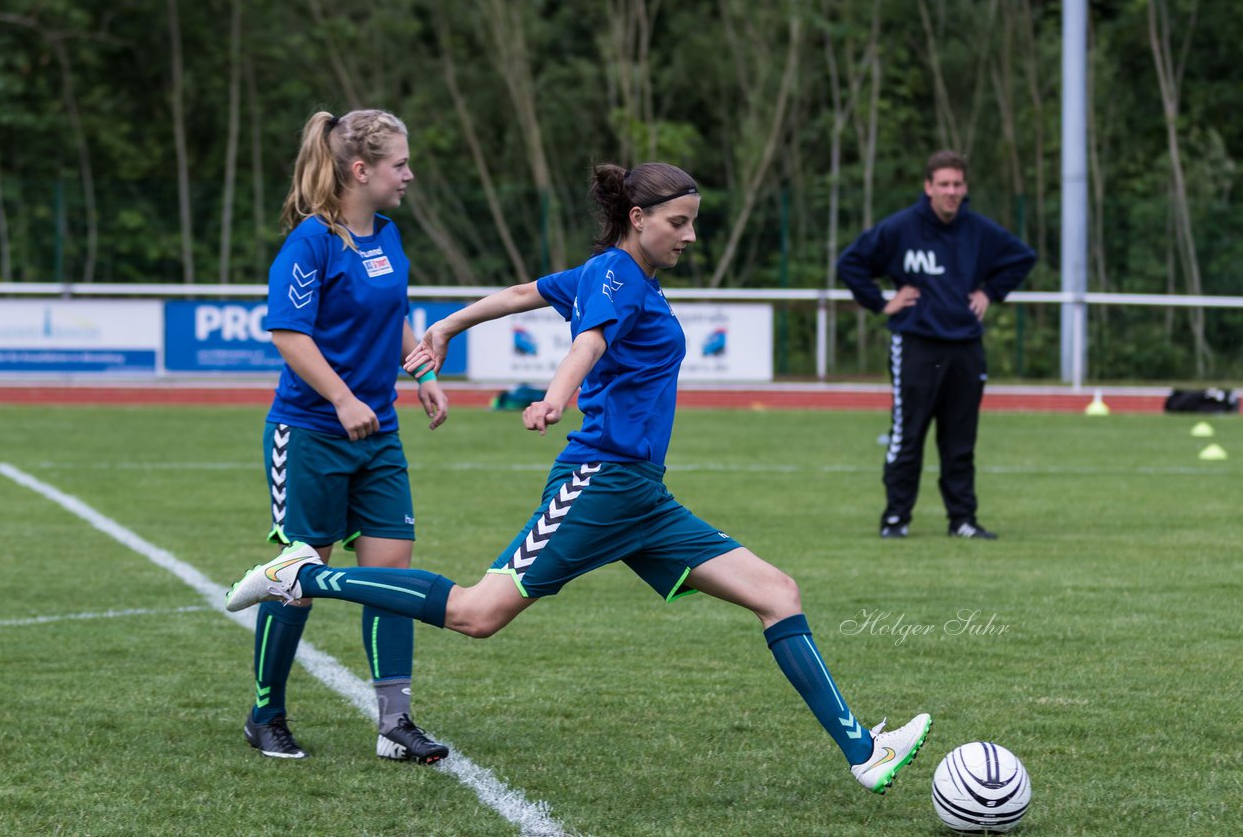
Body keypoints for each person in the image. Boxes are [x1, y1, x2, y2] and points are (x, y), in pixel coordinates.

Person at [228, 161, 932, 794]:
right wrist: (556, 397)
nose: (689, 236)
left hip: (642, 498)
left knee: (777, 592)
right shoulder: (619, 277)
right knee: (478, 614)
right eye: (678, 222)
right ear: (638, 219)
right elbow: (589, 341)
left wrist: (446, 329)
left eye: (693, 222)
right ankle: (302, 576)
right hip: (598, 484)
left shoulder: (608, 273)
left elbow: (521, 292)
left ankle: (863, 751)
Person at [242, 109, 450, 763]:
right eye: (400, 164)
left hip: (379, 437)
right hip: (309, 434)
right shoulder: (310, 242)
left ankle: (395, 725)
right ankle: (265, 714)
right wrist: (341, 397)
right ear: (361, 170)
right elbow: (288, 333)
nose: (409, 174)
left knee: (391, 576)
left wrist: (422, 375)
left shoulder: (388, 235)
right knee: (300, 575)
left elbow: (397, 318)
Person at [837, 150, 1036, 540]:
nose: (951, 192)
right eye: (943, 184)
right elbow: (851, 263)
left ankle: (962, 520)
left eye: (957, 185)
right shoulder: (900, 229)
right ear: (928, 187)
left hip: (965, 347)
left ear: (965, 188)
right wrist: (882, 302)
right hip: (916, 345)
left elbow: (1022, 257)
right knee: (907, 436)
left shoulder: (978, 230)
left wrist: (990, 291)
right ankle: (896, 519)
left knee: (960, 440)